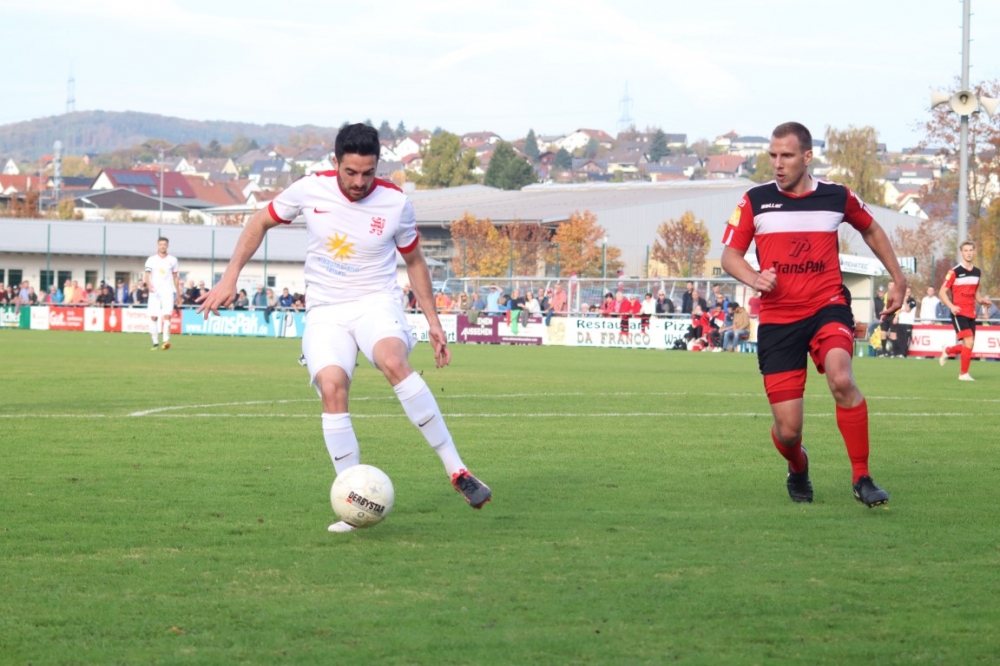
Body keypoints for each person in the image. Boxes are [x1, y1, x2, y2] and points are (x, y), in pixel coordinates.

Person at [197, 123, 490, 534]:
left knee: (391, 359)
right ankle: (354, 500)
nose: (358, 182)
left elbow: (415, 261)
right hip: (325, 311)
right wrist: (230, 278)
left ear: (377, 166)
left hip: (376, 302)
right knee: (333, 386)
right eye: (350, 172)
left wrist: (434, 321)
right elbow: (258, 222)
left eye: (367, 173)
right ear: (335, 162)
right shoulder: (308, 189)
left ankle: (458, 470)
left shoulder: (395, 202)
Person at [720, 121, 905, 508]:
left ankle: (862, 478)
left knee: (841, 377)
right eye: (773, 155)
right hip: (778, 321)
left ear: (807, 157)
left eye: (786, 155)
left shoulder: (837, 196)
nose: (777, 163)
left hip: (827, 307)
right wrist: (755, 278)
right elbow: (729, 256)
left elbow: (871, 230)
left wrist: (898, 278)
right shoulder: (755, 199)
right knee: (788, 432)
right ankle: (798, 467)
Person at [938, 241, 993, 381]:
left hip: (971, 312)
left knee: (968, 345)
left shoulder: (977, 272)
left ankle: (948, 350)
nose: (968, 252)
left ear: (974, 252)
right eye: (965, 250)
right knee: (968, 342)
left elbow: (975, 291)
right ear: (961, 253)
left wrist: (981, 301)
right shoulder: (954, 271)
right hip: (958, 312)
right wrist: (952, 307)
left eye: (970, 250)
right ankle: (963, 374)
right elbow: (942, 292)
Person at [144, 236, 181, 350]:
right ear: (157, 245)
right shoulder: (151, 259)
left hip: (167, 291)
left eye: (164, 244)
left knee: (167, 316)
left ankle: (166, 341)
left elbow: (175, 277)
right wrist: (148, 285)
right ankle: (155, 343)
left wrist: (178, 293)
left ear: (167, 246)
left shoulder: (173, 260)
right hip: (154, 291)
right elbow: (146, 274)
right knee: (153, 317)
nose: (162, 246)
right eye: (160, 244)